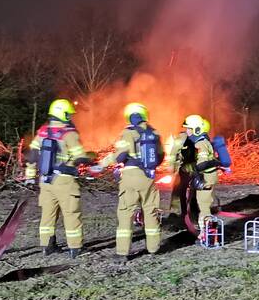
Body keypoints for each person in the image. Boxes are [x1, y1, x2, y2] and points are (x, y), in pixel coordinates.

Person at [23, 99, 94, 258]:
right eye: (68, 114)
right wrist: (90, 158)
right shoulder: (69, 134)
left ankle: (47, 246)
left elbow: (32, 157)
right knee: (71, 214)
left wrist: (29, 177)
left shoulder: (42, 132)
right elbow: (79, 156)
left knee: (48, 215)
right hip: (65, 181)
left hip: (46, 181)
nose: (70, 117)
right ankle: (75, 248)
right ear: (63, 114)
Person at [98, 102, 163, 256]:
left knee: (126, 212)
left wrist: (102, 164)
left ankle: (122, 252)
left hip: (130, 177)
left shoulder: (128, 133)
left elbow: (120, 155)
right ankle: (153, 248)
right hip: (148, 177)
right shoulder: (155, 133)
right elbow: (160, 157)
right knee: (150, 211)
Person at [182, 114, 221, 239]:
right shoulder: (200, 142)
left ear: (197, 129)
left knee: (204, 205)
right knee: (202, 204)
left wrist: (188, 168)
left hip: (206, 179)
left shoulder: (201, 144)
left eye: (189, 129)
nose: (187, 131)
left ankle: (208, 234)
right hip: (205, 178)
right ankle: (207, 231)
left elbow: (202, 164)